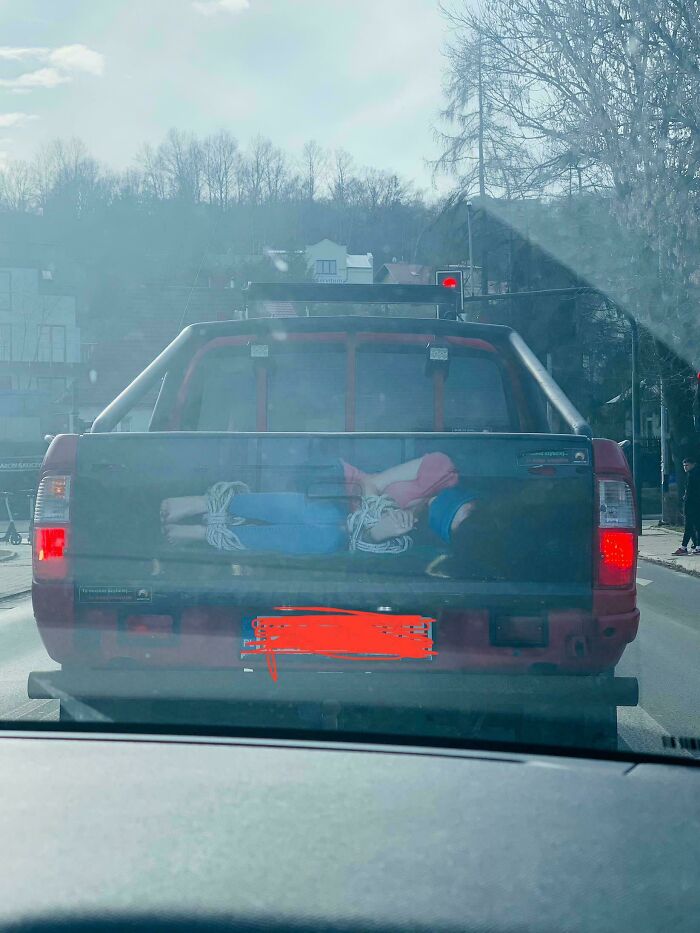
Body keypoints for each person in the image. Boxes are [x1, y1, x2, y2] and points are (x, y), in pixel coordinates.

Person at [160, 452, 477, 556]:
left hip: (346, 527)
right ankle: (205, 504)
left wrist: (378, 532)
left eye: (449, 521)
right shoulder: (441, 467)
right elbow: (372, 482)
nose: (441, 508)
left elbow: (366, 543)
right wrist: (373, 511)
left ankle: (210, 535)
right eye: (461, 510)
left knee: (327, 536)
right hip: (342, 484)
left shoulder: (422, 539)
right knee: (321, 514)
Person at [673, 455, 700, 556]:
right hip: (695, 504)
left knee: (689, 525)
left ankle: (684, 547)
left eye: (687, 465)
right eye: (684, 465)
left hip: (692, 504)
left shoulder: (693, 475)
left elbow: (691, 492)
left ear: (693, 464)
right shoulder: (693, 474)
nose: (685, 467)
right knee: (695, 525)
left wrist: (685, 500)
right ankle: (696, 546)